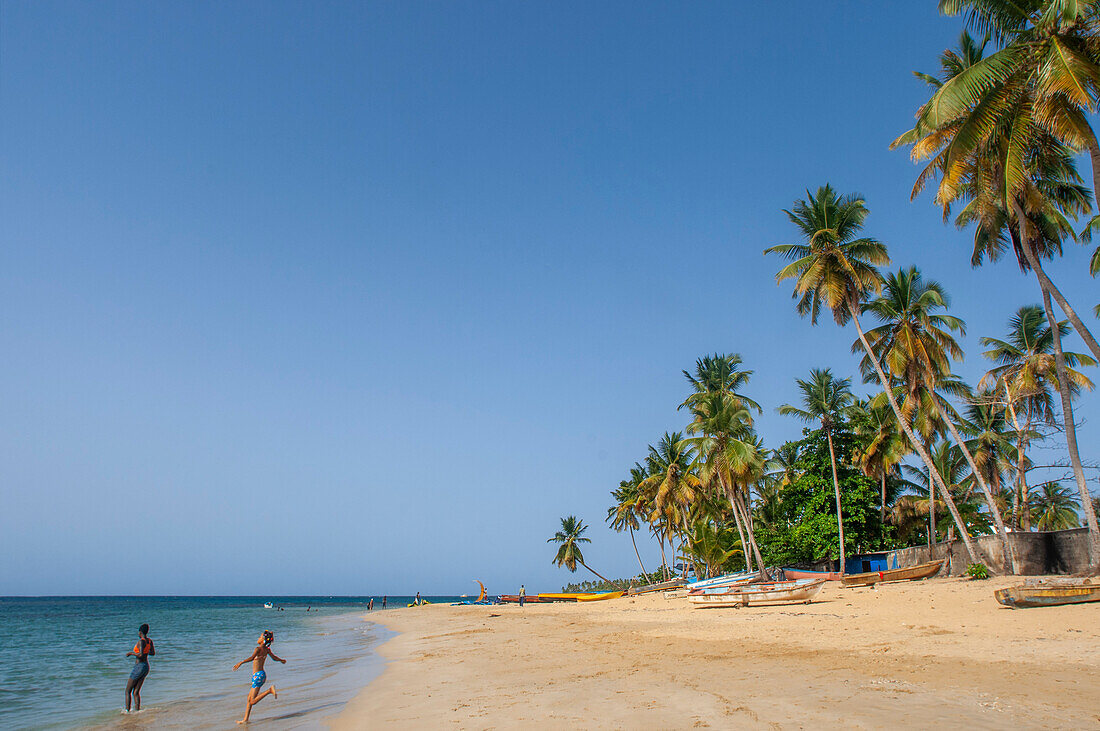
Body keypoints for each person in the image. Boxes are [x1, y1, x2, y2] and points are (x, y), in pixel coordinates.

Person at [233, 630, 286, 724]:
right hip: (260, 675)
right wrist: (281, 660)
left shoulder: (258, 649)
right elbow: (274, 658)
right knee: (249, 699)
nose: (258, 638)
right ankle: (245, 719)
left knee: (252, 701)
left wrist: (241, 662)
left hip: (258, 677)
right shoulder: (267, 650)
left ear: (263, 640)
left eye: (260, 637)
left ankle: (269, 690)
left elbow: (252, 658)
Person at [124, 623, 155, 712]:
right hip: (146, 666)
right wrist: (146, 652)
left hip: (139, 667)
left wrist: (131, 653)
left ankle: (127, 711)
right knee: (136, 692)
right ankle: (137, 711)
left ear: (140, 632)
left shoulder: (141, 641)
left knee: (127, 691)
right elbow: (152, 653)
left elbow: (140, 654)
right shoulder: (149, 641)